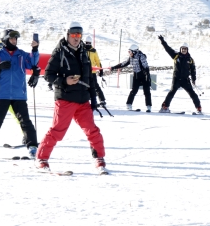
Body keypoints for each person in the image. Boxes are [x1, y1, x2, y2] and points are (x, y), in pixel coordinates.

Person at [37, 22, 107, 174]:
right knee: (57, 131)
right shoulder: (59, 52)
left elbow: (90, 77)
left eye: (79, 35)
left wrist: (94, 99)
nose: (76, 38)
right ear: (67, 34)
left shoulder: (84, 52)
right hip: (65, 98)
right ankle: (41, 159)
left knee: (92, 130)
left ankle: (99, 158)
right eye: (73, 34)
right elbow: (48, 75)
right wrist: (64, 81)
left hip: (83, 99)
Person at [0, 29, 39, 159]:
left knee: (25, 121)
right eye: (11, 39)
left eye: (15, 39)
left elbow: (33, 63)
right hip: (2, 94)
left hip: (19, 94)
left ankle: (33, 146)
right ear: (5, 40)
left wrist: (35, 49)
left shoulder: (21, 55)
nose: (14, 41)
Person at [157, 36, 202, 114]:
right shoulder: (175, 55)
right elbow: (167, 49)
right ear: (180, 49)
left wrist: (193, 79)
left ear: (187, 50)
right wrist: (162, 41)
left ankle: (198, 108)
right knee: (171, 92)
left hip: (185, 80)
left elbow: (193, 70)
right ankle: (165, 107)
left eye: (185, 49)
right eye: (182, 49)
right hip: (176, 79)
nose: (184, 50)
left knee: (192, 94)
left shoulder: (190, 59)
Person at [110, 44, 152, 112]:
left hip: (144, 76)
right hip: (136, 75)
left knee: (146, 91)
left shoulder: (141, 56)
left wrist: (147, 75)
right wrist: (114, 67)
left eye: (130, 52)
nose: (129, 53)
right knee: (134, 90)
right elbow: (124, 63)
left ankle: (149, 106)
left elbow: (146, 66)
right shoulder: (131, 58)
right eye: (128, 52)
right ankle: (129, 104)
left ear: (134, 51)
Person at [84, 36, 107, 107]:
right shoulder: (82, 50)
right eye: (86, 43)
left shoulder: (93, 51)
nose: (88, 44)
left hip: (92, 72)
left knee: (95, 86)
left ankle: (102, 100)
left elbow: (97, 60)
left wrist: (100, 69)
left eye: (89, 43)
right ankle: (85, 101)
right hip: (84, 71)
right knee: (84, 86)